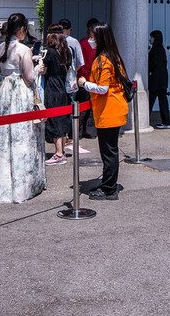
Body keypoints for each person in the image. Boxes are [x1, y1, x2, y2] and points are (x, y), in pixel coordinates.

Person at [0, 13, 45, 202]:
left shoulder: (0, 48)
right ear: (22, 30)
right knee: (21, 134)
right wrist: (39, 68)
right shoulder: (23, 49)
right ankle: (22, 185)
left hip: (3, 90)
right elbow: (28, 77)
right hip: (19, 92)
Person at [78, 22, 130, 201]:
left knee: (108, 152)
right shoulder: (113, 56)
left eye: (93, 37)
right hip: (114, 108)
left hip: (109, 109)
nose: (90, 40)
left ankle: (109, 188)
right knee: (111, 151)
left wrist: (84, 83)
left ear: (100, 38)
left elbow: (102, 88)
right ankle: (109, 184)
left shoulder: (103, 59)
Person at [40, 24, 72, 166]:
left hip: (52, 87)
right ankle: (62, 151)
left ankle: (59, 154)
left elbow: (44, 71)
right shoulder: (67, 51)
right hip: (63, 87)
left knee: (55, 120)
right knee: (61, 118)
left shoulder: (50, 52)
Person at [71, 17, 99, 148]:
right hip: (96, 79)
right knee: (93, 108)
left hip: (83, 78)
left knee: (81, 107)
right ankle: (92, 131)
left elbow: (78, 62)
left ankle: (79, 132)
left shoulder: (82, 42)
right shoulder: (99, 44)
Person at [148, 30, 170, 129]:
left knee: (150, 101)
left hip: (155, 79)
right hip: (163, 78)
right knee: (163, 101)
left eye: (152, 37)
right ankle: (166, 122)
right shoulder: (161, 49)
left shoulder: (154, 50)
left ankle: (143, 120)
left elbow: (152, 64)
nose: (151, 39)